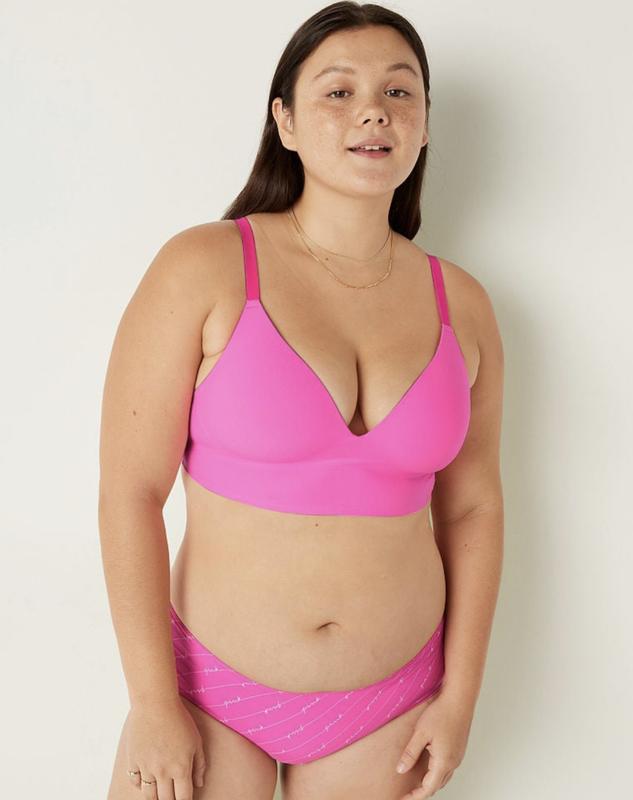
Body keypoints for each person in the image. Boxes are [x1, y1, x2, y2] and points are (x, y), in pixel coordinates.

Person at [99, 3, 504, 799]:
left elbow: (473, 509)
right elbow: (130, 492)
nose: (372, 112)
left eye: (398, 92)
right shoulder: (204, 266)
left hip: (391, 704)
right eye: (338, 91)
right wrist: (151, 702)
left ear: (424, 124)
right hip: (206, 690)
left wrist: (459, 699)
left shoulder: (462, 303)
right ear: (283, 120)